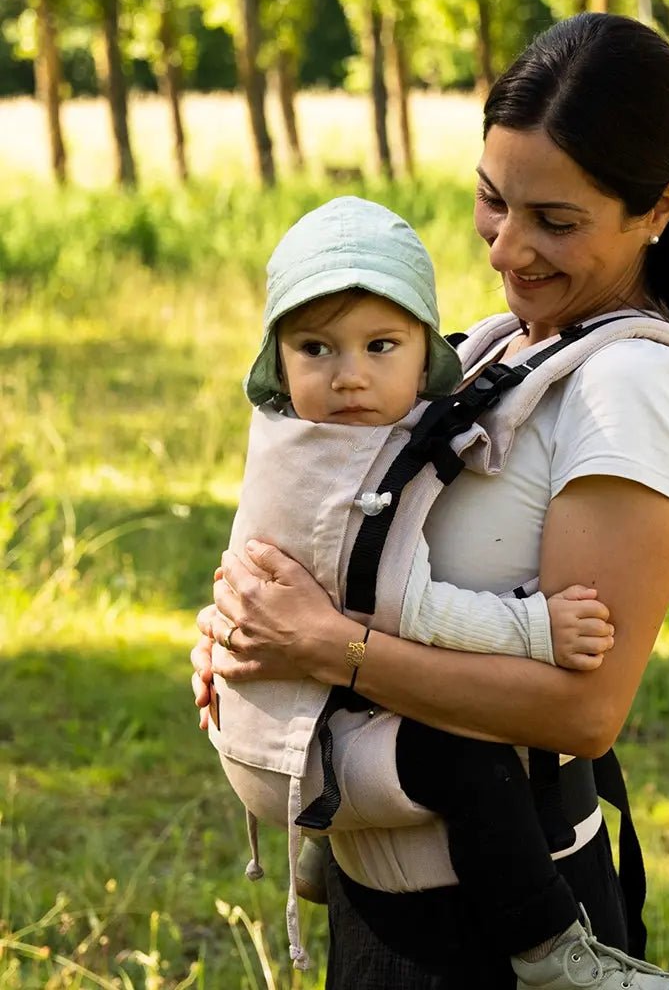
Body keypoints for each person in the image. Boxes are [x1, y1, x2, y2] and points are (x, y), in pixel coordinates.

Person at [192, 11, 669, 990]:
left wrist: (322, 647)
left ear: (659, 205)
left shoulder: (631, 385)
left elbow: (586, 710)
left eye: (556, 220)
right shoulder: (501, 342)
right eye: (493, 200)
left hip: (496, 924)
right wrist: (245, 629)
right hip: (389, 898)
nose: (507, 249)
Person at [212, 195, 636, 978]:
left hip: (305, 721)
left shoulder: (330, 433)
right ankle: (549, 948)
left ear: (424, 354)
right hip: (304, 748)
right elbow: (402, 608)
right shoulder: (325, 471)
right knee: (463, 759)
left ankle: (322, 853)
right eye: (316, 349)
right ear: (278, 363)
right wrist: (535, 629)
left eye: (380, 346)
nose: (350, 377)